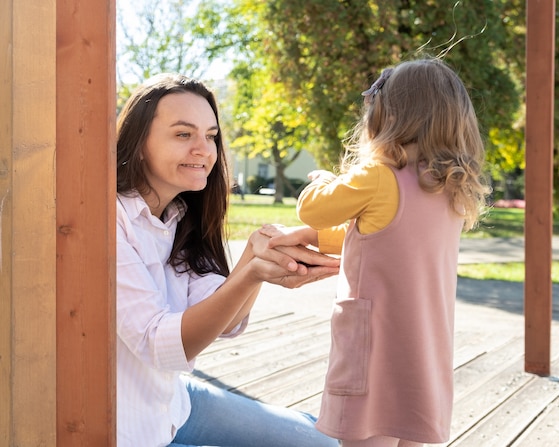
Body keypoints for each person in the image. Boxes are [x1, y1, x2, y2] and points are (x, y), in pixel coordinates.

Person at [262, 58, 491, 447]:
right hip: (424, 352)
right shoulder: (451, 189)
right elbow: (391, 239)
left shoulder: (378, 177)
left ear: (387, 116)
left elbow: (313, 207)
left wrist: (327, 181)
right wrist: (324, 238)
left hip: (374, 354)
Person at [116, 73, 341, 447]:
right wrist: (250, 273)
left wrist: (258, 254)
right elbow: (162, 344)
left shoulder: (177, 216)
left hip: (174, 402)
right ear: (139, 144)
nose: (204, 150)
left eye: (211, 135)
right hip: (131, 427)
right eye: (183, 134)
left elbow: (223, 321)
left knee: (324, 441)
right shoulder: (110, 221)